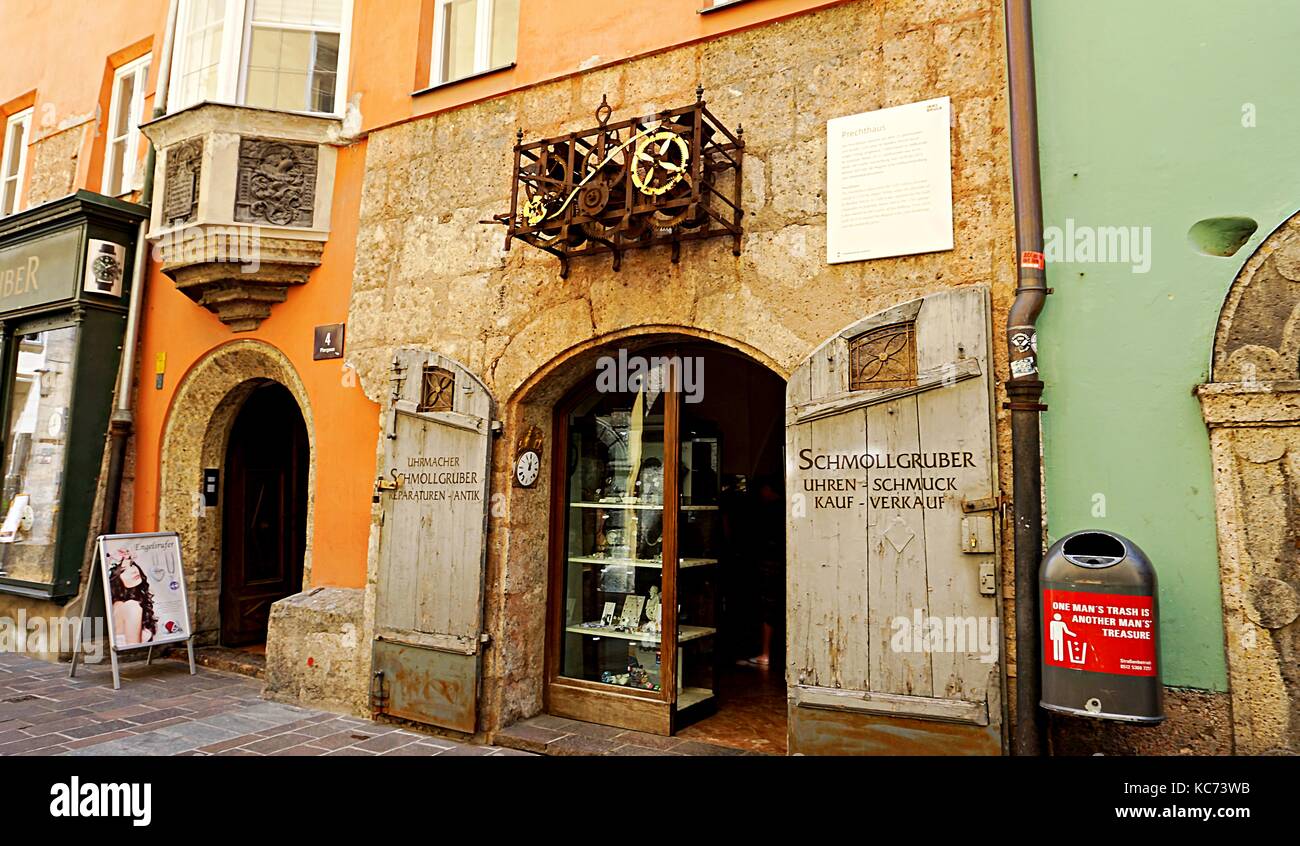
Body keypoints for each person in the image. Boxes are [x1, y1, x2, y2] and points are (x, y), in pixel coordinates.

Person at [109, 551, 157, 646]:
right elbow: (134, 650)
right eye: (123, 571)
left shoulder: (117, 603)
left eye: (132, 565)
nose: (133, 571)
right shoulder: (132, 606)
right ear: (116, 579)